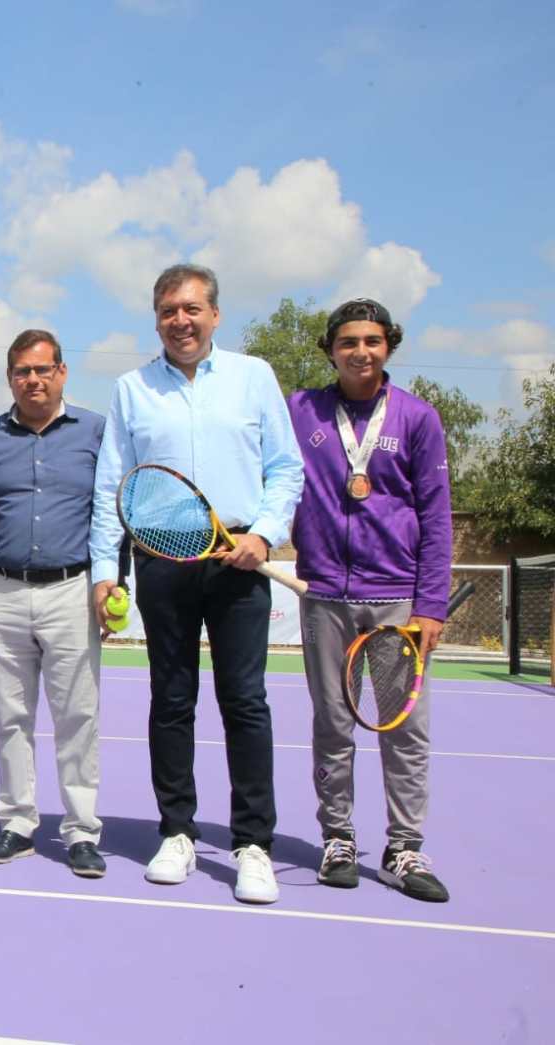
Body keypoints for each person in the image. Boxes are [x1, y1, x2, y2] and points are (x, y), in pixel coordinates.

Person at [89, 264, 304, 904]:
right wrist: (106, 573)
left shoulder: (253, 376)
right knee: (172, 699)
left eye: (190, 309)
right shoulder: (131, 388)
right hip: (163, 559)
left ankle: (253, 844)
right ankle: (177, 831)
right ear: (156, 318)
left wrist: (264, 534)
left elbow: (285, 468)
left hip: (241, 558)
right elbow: (112, 485)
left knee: (245, 702)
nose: (179, 321)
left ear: (214, 314)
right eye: (167, 311)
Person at [287, 299, 452, 902]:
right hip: (325, 596)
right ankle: (338, 838)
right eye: (349, 341)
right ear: (330, 350)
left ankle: (403, 847)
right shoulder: (299, 410)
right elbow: (270, 472)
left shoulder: (417, 418)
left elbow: (436, 517)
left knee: (402, 728)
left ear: (389, 347)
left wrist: (430, 605)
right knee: (333, 724)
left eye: (373, 341)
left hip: (396, 600)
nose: (361, 352)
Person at [0, 330, 107, 877]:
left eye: (43, 369)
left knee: (77, 717)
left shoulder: (96, 432)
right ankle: (17, 824)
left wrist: (111, 582)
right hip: (1, 591)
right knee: (10, 717)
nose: (33, 380)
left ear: (62, 372)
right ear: (10, 378)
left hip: (72, 591)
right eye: (22, 371)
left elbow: (111, 514)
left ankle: (82, 831)